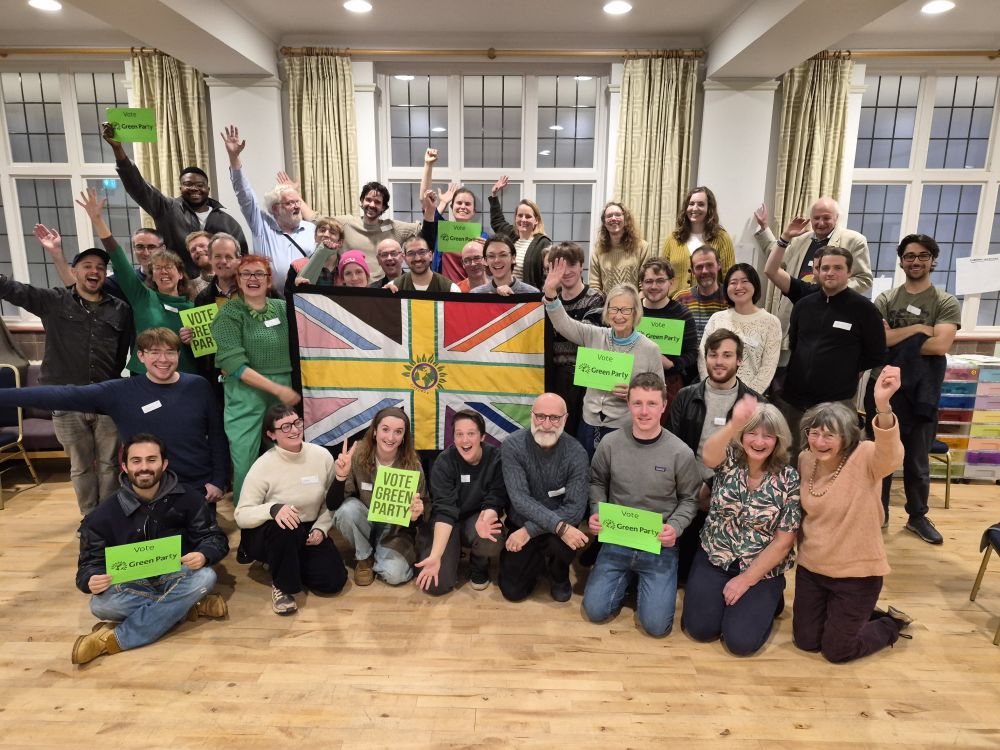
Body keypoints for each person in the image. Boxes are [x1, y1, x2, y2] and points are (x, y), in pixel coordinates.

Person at [0, 327, 227, 507]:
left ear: (178, 354)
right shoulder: (120, 392)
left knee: (200, 555)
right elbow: (62, 394)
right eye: (154, 352)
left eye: (170, 352)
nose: (163, 359)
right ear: (141, 356)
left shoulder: (198, 386)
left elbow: (217, 437)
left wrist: (217, 481)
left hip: (197, 487)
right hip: (146, 489)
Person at [0, 231, 130, 517]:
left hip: (105, 399)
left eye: (99, 267)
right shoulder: (53, 301)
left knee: (109, 464)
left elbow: (120, 354)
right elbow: (13, 290)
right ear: (74, 272)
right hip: (66, 402)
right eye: (87, 266)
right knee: (81, 466)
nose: (94, 271)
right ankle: (89, 518)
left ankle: (108, 518)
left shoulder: (120, 310)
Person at [72, 433, 229, 665]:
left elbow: (214, 538)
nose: (144, 467)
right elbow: (88, 564)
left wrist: (204, 553)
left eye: (151, 460)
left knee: (205, 576)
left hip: (177, 575)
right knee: (101, 605)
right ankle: (188, 606)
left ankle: (112, 640)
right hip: (131, 584)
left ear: (164, 464)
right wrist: (91, 579)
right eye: (136, 461)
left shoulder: (189, 498)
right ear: (124, 466)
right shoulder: (101, 515)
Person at [793, 366, 913, 663]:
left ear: (847, 437)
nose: (820, 442)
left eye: (829, 435)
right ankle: (855, 614)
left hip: (857, 575)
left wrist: (883, 405)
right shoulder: (806, 460)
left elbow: (892, 454)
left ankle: (889, 624)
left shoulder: (866, 456)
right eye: (815, 433)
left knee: (836, 651)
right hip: (812, 569)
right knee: (806, 642)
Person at [584, 373, 701, 637]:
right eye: (637, 403)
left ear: (663, 405)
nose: (644, 411)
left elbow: (690, 499)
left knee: (657, 627)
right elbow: (597, 482)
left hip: (658, 546)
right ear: (628, 404)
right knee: (595, 611)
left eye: (651, 403)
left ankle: (641, 583)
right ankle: (627, 580)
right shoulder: (610, 443)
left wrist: (675, 526)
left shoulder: (680, 452)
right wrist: (597, 512)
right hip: (617, 540)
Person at [681, 397, 800, 656]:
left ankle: (770, 597)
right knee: (700, 630)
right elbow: (708, 455)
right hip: (715, 555)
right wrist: (734, 423)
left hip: (760, 567)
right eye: (752, 433)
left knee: (740, 643)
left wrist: (746, 580)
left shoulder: (789, 478)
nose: (758, 442)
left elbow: (783, 541)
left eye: (767, 436)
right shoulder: (729, 460)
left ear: (778, 440)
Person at [865, 234, 959, 545]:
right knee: (882, 456)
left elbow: (941, 344)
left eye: (922, 256)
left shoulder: (944, 302)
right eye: (909, 256)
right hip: (886, 390)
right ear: (901, 260)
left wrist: (899, 336)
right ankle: (878, 512)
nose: (915, 261)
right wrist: (920, 329)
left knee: (917, 460)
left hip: (923, 391)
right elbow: (881, 341)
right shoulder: (886, 299)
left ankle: (917, 516)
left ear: (933, 260)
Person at [667, 329, 765, 584]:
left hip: (730, 500)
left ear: (739, 360)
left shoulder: (756, 404)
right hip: (687, 491)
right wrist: (694, 488)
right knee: (680, 574)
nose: (719, 361)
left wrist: (711, 488)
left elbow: (754, 463)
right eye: (713, 355)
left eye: (727, 355)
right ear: (705, 358)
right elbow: (674, 448)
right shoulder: (685, 397)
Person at [543, 258, 662, 458]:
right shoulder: (595, 335)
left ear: (636, 313)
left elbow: (660, 393)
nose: (619, 315)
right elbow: (564, 324)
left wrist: (635, 395)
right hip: (588, 424)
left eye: (626, 310)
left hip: (623, 427)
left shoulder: (649, 349)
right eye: (614, 309)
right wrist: (551, 294)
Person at [234, 405, 348, 615]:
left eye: (297, 423)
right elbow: (241, 515)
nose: (294, 430)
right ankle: (282, 585)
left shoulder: (321, 456)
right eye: (285, 427)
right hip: (273, 531)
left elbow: (329, 503)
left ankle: (284, 564)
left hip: (307, 530)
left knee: (333, 582)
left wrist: (321, 529)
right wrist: (273, 509)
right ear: (271, 434)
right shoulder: (262, 465)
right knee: (287, 527)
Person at [774, 246, 887, 453]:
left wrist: (846, 371)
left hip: (837, 402)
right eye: (825, 268)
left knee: (834, 458)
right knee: (794, 457)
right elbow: (795, 343)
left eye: (837, 268)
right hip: (796, 400)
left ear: (849, 272)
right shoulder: (803, 305)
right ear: (818, 271)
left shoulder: (865, 310)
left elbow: (876, 354)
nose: (830, 273)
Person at [77, 188, 198, 376]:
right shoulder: (142, 296)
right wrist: (97, 220)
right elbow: (118, 258)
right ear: (152, 274)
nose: (163, 272)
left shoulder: (194, 309)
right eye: (158, 268)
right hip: (145, 379)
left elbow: (207, 353)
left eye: (169, 268)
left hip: (184, 380)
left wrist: (193, 342)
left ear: (181, 274)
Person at [102, 123, 248, 276]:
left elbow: (242, 259)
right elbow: (139, 188)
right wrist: (118, 150)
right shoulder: (167, 209)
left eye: (200, 185)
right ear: (180, 188)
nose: (194, 188)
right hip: (179, 289)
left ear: (208, 189)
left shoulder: (227, 222)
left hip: (220, 291)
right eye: (188, 184)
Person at [210, 255, 299, 505]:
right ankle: (247, 515)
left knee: (283, 453)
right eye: (246, 273)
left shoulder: (282, 308)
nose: (253, 279)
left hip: (282, 387)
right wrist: (277, 389)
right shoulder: (229, 312)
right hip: (245, 391)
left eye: (259, 274)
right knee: (244, 457)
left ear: (269, 280)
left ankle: (284, 511)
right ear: (237, 280)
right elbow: (235, 365)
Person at [756, 198, 873, 364]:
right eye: (816, 218)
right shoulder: (800, 240)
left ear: (836, 218)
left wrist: (829, 293)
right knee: (785, 376)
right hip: (795, 311)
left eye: (826, 218)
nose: (820, 223)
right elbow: (775, 260)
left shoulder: (854, 240)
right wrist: (764, 229)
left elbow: (864, 279)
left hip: (831, 316)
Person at [499, 393, 590, 603]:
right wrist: (557, 526)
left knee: (564, 544)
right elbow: (519, 499)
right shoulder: (512, 445)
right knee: (513, 592)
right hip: (522, 521)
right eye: (540, 416)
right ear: (531, 415)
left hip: (554, 529)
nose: (547, 424)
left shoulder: (577, 453)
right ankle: (534, 562)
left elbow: (576, 508)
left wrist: (531, 530)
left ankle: (559, 575)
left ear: (565, 419)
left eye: (554, 418)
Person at [327, 407, 427, 586]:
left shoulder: (412, 465)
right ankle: (364, 557)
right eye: (385, 429)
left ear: (404, 437)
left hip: (395, 530)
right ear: (375, 431)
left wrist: (416, 516)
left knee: (397, 576)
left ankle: (379, 554)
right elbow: (333, 504)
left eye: (398, 432)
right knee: (347, 510)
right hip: (366, 519)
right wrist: (340, 477)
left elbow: (423, 510)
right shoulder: (357, 455)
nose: (390, 437)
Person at [414, 410, 507, 595]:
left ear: (482, 436)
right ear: (454, 437)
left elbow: (495, 498)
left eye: (471, 433)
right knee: (435, 586)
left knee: (492, 537)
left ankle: (478, 565)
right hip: (447, 522)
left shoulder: (496, 458)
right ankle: (450, 556)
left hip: (475, 518)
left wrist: (487, 517)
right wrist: (437, 555)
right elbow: (445, 511)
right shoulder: (444, 462)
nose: (465, 440)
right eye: (459, 434)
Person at [222, 125, 317, 291]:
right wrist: (234, 158)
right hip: (270, 299)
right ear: (275, 209)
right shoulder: (262, 225)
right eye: (290, 203)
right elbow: (245, 196)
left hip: (306, 301)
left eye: (297, 202)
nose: (296, 207)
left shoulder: (311, 229)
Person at [544, 242, 605, 438]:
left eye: (572, 264)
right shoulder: (547, 298)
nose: (567, 271)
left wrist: (551, 299)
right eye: (560, 266)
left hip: (584, 380)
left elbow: (583, 336)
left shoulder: (596, 298)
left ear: (581, 266)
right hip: (553, 377)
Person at [698, 264, 781, 395]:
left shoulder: (771, 322)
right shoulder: (717, 318)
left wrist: (747, 396)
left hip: (750, 400)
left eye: (744, 281)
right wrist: (712, 389)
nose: (738, 287)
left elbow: (768, 367)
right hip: (714, 393)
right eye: (733, 283)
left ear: (755, 285)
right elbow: (703, 356)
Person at [331, 180, 438, 280]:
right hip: (351, 286)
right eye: (368, 200)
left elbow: (427, 238)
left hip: (382, 288)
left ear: (383, 207)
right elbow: (316, 219)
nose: (372, 205)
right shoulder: (345, 223)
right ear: (362, 201)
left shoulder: (393, 227)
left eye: (377, 202)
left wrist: (430, 210)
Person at [638, 258, 697, 404]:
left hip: (669, 384)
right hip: (633, 381)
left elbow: (693, 353)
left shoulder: (683, 314)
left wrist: (672, 364)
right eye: (649, 281)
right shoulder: (632, 311)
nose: (654, 286)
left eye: (660, 281)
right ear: (641, 284)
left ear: (671, 282)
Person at [662, 186, 735, 291]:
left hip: (710, 305)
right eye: (691, 204)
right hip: (675, 305)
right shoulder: (673, 239)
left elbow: (729, 277)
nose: (695, 208)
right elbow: (663, 274)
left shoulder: (722, 238)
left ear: (709, 208)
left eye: (701, 204)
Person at [489, 176, 552, 288]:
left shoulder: (543, 243)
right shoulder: (511, 235)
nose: (523, 220)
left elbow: (548, 274)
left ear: (536, 220)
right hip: (506, 294)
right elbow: (497, 221)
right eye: (520, 215)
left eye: (528, 216)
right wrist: (494, 195)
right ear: (515, 218)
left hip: (529, 298)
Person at [589, 201, 654, 294]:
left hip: (635, 305)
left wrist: (633, 305)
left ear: (626, 219)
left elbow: (645, 284)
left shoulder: (642, 247)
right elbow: (595, 286)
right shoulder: (597, 251)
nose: (613, 218)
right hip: (607, 306)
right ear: (604, 222)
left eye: (618, 215)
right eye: (609, 216)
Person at [672, 247, 729, 341]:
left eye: (709, 265)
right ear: (693, 271)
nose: (705, 271)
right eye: (699, 267)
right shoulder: (680, 299)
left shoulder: (730, 297)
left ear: (719, 265)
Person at [286, 217, 344, 290]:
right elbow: (288, 296)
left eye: (332, 232)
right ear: (315, 237)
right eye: (322, 230)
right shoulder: (297, 266)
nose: (326, 235)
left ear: (340, 242)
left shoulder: (347, 267)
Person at [389, 235, 461, 293]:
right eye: (411, 253)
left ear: (430, 256)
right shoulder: (393, 287)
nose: (417, 258)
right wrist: (385, 296)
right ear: (405, 258)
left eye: (422, 252)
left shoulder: (451, 289)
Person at [471, 235, 540, 295]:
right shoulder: (475, 294)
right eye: (491, 256)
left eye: (503, 255)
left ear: (513, 258)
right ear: (485, 261)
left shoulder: (532, 293)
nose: (497, 260)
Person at [185, 230, 213, 296]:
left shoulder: (237, 276)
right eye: (193, 250)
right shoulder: (190, 288)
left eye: (202, 245)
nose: (197, 250)